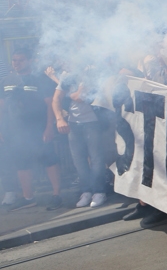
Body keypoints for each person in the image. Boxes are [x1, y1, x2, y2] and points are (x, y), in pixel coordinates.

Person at [0, 47, 60, 210]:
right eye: (14, 60)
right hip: (15, 132)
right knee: (22, 164)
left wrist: (49, 127)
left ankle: (56, 194)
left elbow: (49, 105)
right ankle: (28, 198)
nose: (17, 63)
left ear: (29, 61)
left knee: (49, 160)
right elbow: (2, 107)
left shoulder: (40, 79)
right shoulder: (6, 81)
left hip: (39, 129)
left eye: (21, 60)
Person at [53, 66, 111, 208]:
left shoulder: (95, 74)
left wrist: (74, 90)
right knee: (78, 159)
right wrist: (59, 118)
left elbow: (79, 96)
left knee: (96, 158)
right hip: (73, 124)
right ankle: (86, 191)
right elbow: (56, 99)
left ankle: (99, 191)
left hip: (93, 122)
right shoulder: (68, 76)